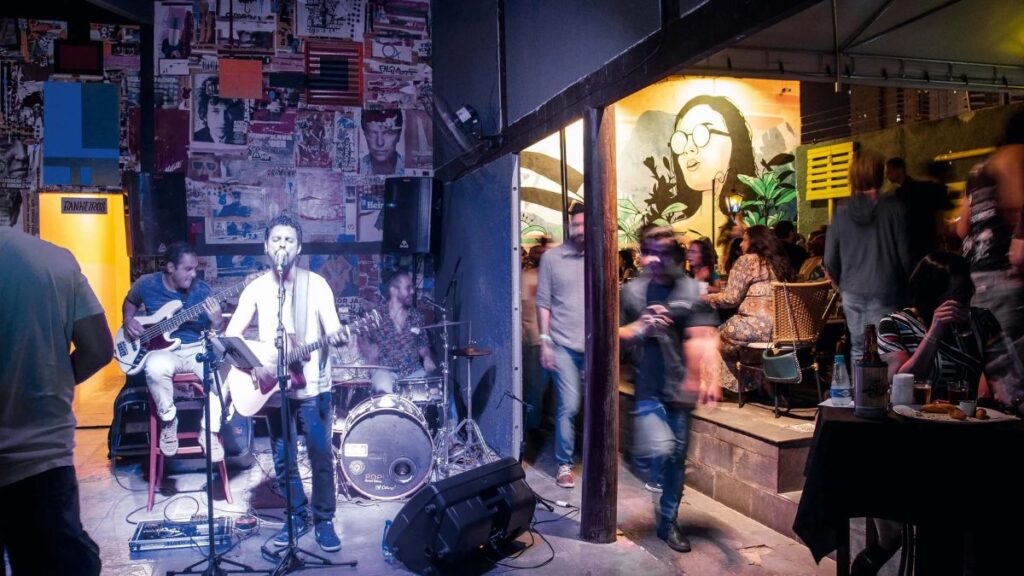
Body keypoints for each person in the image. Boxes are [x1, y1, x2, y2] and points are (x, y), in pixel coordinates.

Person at [856, 252, 1021, 575]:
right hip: (912, 444)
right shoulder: (895, 325)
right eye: (955, 294)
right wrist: (934, 332)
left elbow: (1007, 378)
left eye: (966, 293)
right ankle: (889, 550)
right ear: (932, 294)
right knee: (940, 507)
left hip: (969, 443)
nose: (963, 301)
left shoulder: (981, 321)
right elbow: (898, 379)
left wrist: (1009, 393)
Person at [0, 188, 112, 575]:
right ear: (17, 204)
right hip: (40, 461)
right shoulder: (56, 262)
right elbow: (98, 349)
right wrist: (50, 379)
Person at [224, 214, 344, 552]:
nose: (282, 246)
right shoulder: (257, 289)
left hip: (314, 388)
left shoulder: (316, 285)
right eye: (276, 240)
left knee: (320, 455)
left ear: (299, 247)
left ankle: (324, 520)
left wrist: (337, 337)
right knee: (283, 457)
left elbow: (333, 328)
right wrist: (255, 368)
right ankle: (295, 517)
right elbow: (231, 337)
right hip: (275, 389)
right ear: (266, 246)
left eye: (289, 240)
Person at [619, 225, 720, 554]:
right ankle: (645, 458)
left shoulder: (691, 289)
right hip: (647, 387)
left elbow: (704, 336)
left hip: (680, 388)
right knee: (662, 450)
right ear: (642, 253)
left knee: (677, 459)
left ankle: (668, 522)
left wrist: (708, 379)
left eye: (663, 252)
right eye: (650, 251)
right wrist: (641, 327)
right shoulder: (632, 292)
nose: (656, 259)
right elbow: (613, 334)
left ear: (674, 254)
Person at [122, 241, 225, 462]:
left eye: (195, 268)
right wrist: (128, 319)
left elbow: (215, 331)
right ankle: (168, 421)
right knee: (155, 367)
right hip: (164, 352)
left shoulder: (203, 291)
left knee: (223, 378)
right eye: (188, 269)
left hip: (196, 348)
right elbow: (130, 301)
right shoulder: (146, 285)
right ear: (170, 268)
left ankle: (210, 431)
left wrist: (216, 322)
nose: (193, 274)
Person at [825, 149, 913, 360]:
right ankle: (884, 393)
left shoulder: (841, 211)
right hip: (886, 289)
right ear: (879, 175)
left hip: (852, 291)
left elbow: (829, 258)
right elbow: (906, 256)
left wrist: (844, 284)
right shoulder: (894, 209)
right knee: (886, 348)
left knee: (857, 348)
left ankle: (860, 392)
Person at [957, 110, 1024, 344]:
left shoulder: (978, 170)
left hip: (977, 276)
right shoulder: (1015, 155)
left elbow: (962, 228)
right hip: (1005, 272)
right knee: (1012, 370)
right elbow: (1018, 206)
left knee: (990, 364)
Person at [704, 225, 791, 390]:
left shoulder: (747, 260)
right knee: (744, 344)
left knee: (711, 336)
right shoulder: (780, 262)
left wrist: (706, 298)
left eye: (744, 240)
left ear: (755, 242)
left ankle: (721, 388)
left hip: (754, 328)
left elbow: (731, 299)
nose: (740, 244)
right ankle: (761, 382)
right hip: (783, 329)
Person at [536, 200, 586, 488]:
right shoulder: (552, 259)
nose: (579, 229)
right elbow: (543, 302)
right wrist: (545, 340)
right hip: (563, 344)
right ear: (569, 225)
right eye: (575, 224)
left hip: (594, 346)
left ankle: (594, 459)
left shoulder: (599, 256)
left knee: (596, 408)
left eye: (583, 224)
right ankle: (564, 463)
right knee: (568, 406)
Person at [669, 95, 757, 220]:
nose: (688, 148)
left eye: (701, 134)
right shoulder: (677, 233)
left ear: (735, 140)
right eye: (680, 140)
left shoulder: (747, 231)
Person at [368, 270, 436, 394]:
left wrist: (427, 357)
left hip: (413, 372)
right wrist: (373, 368)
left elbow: (422, 345)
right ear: (394, 290)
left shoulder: (416, 316)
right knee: (383, 385)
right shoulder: (376, 316)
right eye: (408, 288)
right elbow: (369, 349)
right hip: (386, 373)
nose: (413, 292)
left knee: (432, 391)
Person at [886, 157, 951, 267]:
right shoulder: (928, 187)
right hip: (929, 244)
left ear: (900, 170)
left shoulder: (899, 194)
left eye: (889, 171)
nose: (886, 175)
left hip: (912, 246)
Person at [522, 244, 552, 436]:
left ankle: (537, 422)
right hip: (535, 340)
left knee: (541, 386)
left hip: (547, 339)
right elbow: (523, 306)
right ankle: (532, 426)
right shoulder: (530, 277)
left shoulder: (541, 277)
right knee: (536, 385)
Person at [193, 76, 244, 145]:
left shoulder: (244, 139)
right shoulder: (195, 139)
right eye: (215, 111)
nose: (223, 120)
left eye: (229, 112)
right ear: (204, 114)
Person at [360, 109, 404, 175]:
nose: (380, 143)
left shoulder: (409, 169)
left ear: (399, 135)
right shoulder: (358, 168)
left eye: (387, 133)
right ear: (365, 135)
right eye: (373, 133)